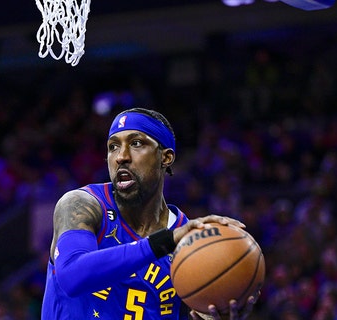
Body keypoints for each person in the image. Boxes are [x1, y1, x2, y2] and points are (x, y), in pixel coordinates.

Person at [41, 108, 257, 320]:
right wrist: (160, 243)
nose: (121, 157)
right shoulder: (83, 205)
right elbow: (72, 276)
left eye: (136, 143)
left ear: (166, 157)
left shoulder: (191, 244)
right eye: (113, 147)